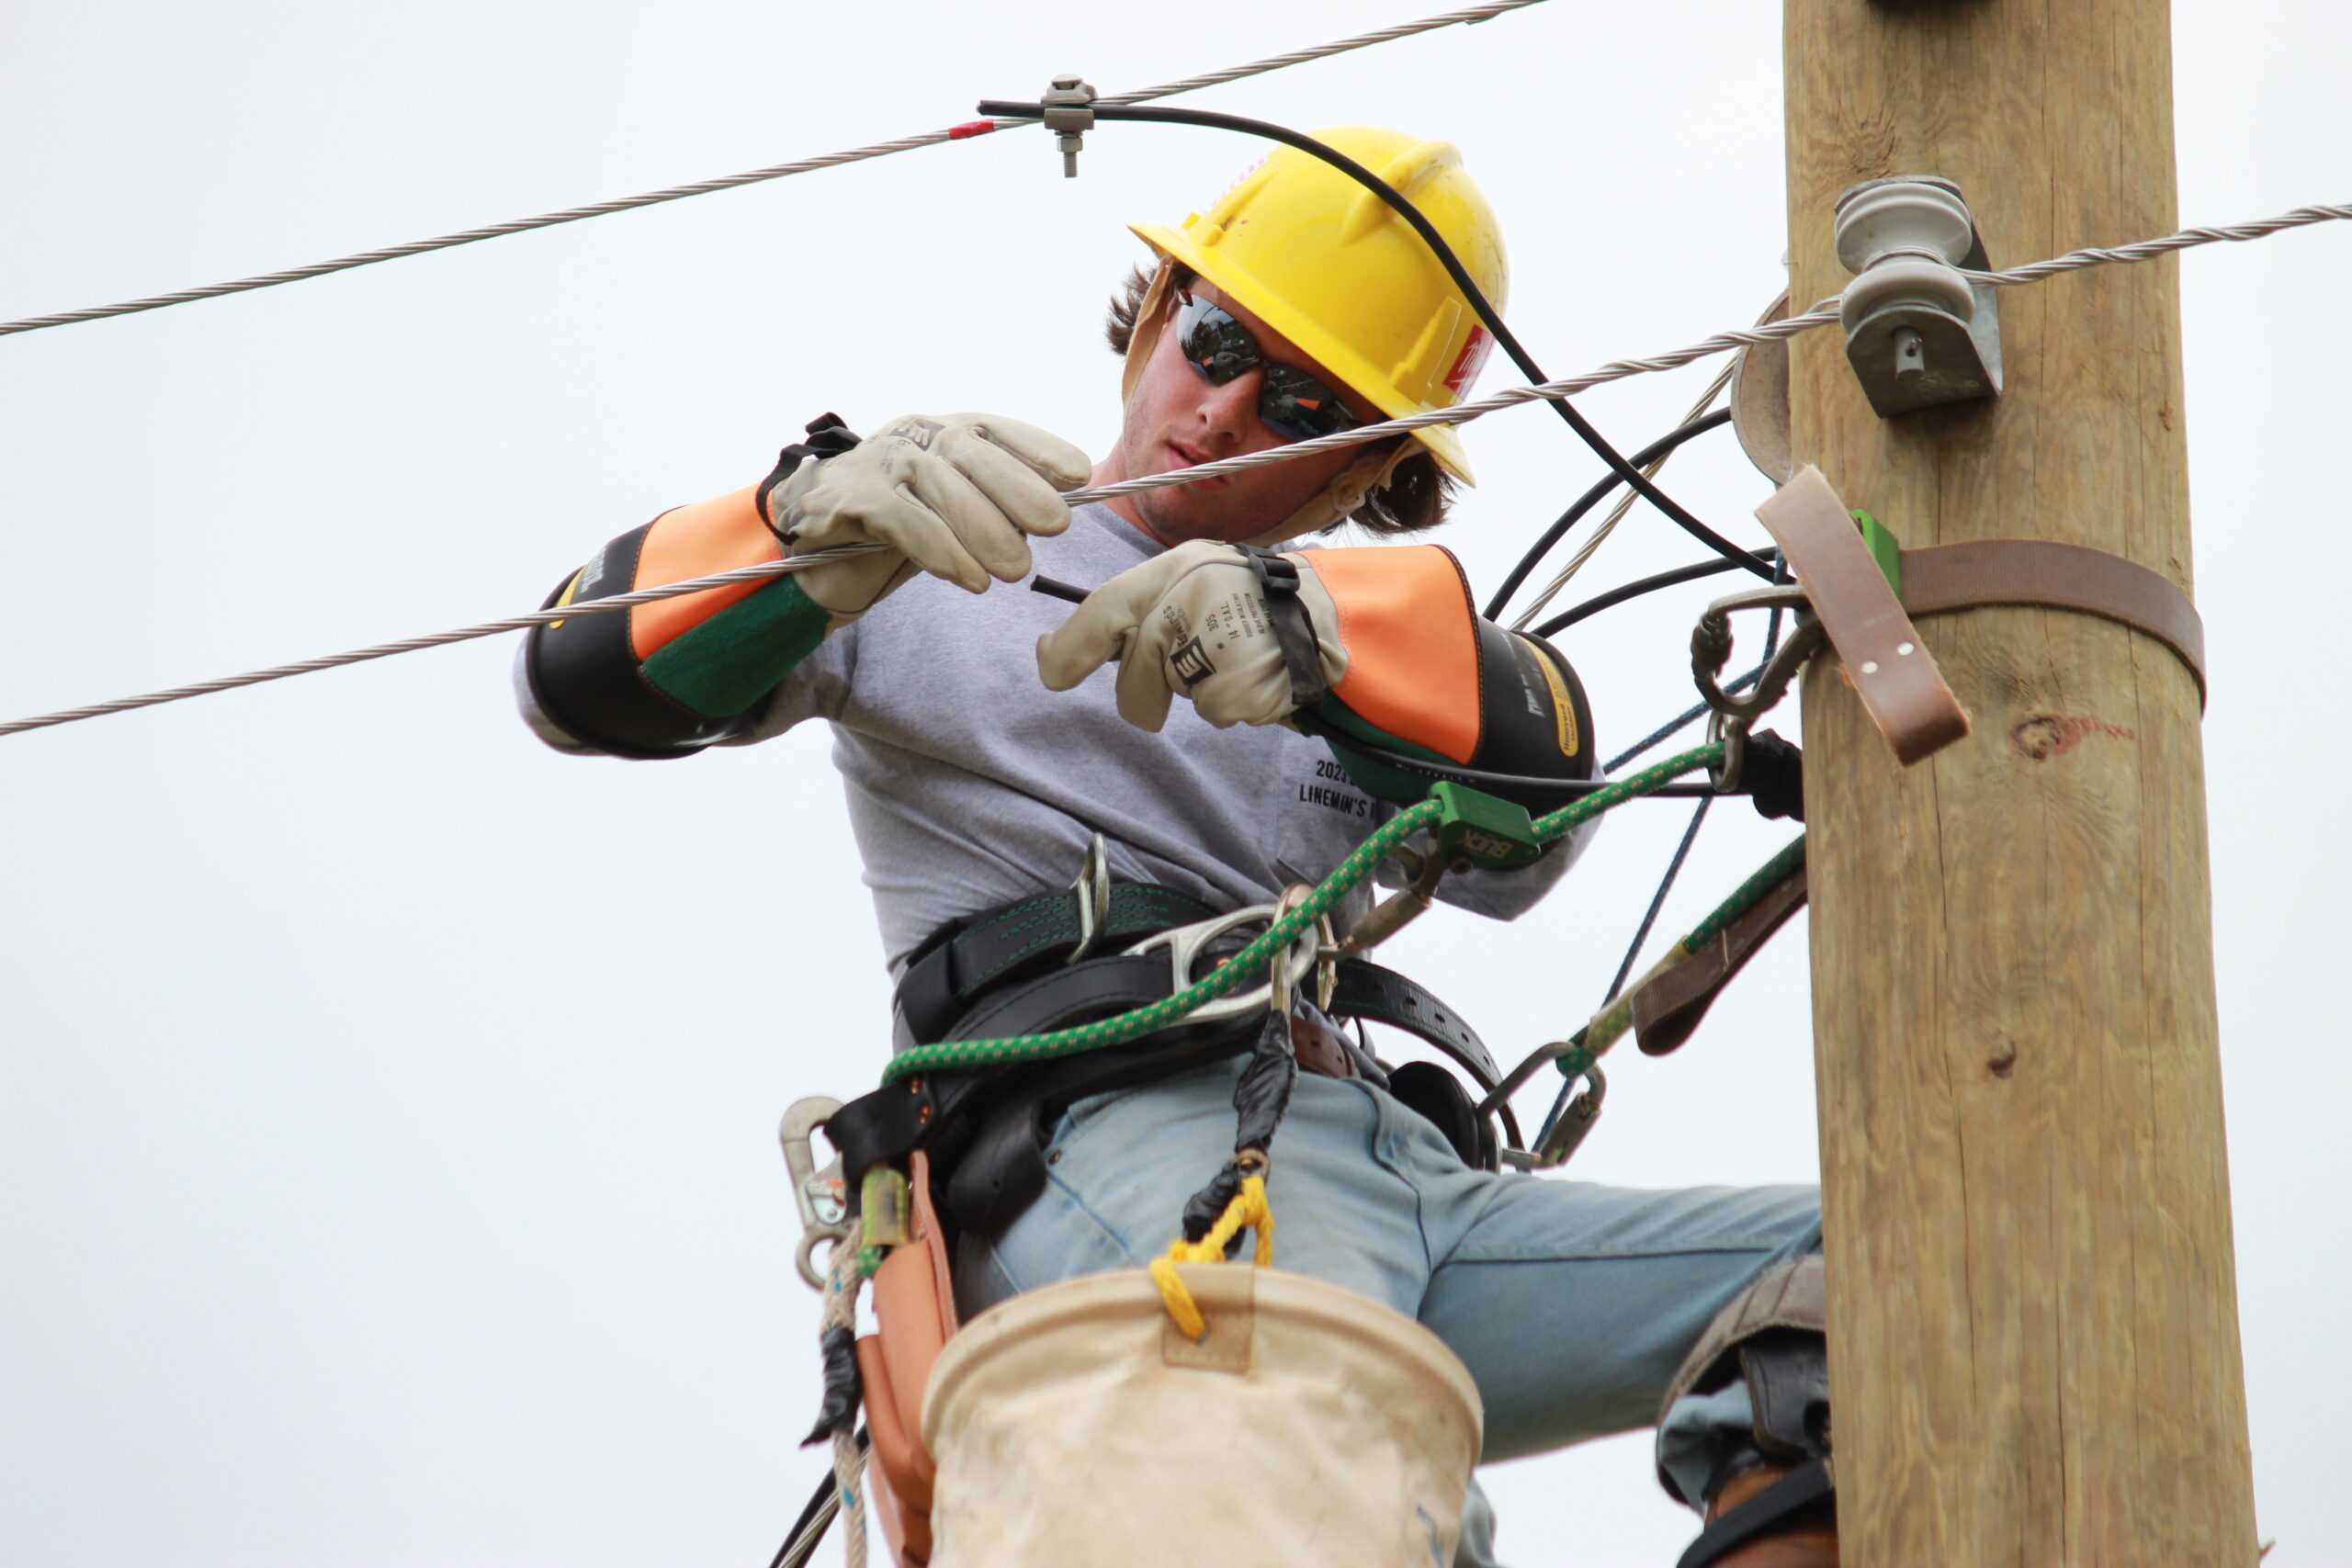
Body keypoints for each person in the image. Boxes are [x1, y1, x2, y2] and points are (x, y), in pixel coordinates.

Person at [516, 126, 1832, 1568]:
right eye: (1215, 341)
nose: (1226, 407)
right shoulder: (927, 550)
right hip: (1123, 1132)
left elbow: (1539, 807)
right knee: (1316, 1484)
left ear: (1363, 477)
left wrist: (1324, 649)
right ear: (1153, 317)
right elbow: (570, 681)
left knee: (1879, 1276)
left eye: (1305, 405)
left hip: (1398, 1175)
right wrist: (789, 528)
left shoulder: (1355, 647)